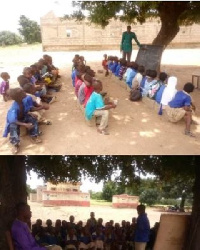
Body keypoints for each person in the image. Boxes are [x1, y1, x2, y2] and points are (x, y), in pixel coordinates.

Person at [3, 88, 42, 154]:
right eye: (22, 92)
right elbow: (13, 120)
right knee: (13, 127)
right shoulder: (14, 108)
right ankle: (15, 144)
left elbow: (28, 109)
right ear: (18, 97)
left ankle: (34, 135)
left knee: (33, 119)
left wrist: (30, 113)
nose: (24, 92)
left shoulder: (24, 100)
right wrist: (25, 125)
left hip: (24, 116)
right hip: (16, 121)